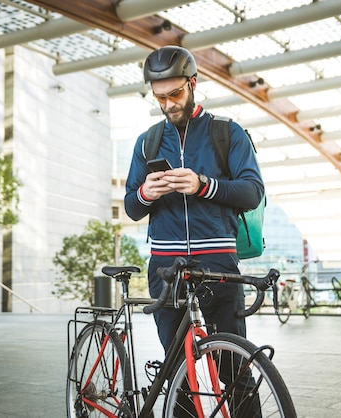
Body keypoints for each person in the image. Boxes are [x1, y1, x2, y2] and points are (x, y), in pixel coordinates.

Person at [124, 46, 264, 353]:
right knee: (177, 368)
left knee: (234, 364)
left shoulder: (227, 132)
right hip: (165, 267)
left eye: (175, 94)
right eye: (160, 97)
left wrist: (203, 185)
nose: (169, 104)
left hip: (218, 263)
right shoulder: (147, 142)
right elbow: (131, 208)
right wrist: (146, 193)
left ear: (193, 83)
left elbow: (253, 192)